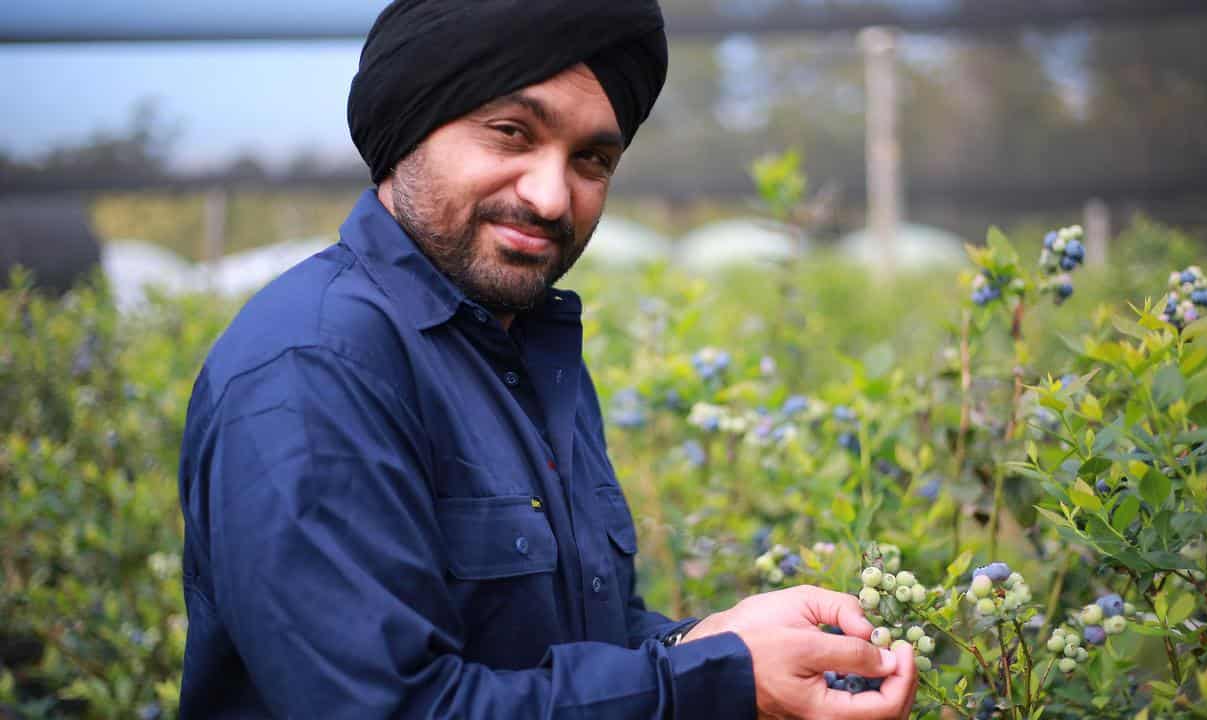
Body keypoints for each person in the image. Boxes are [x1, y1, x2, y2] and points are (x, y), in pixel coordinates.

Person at [176, 1, 918, 718]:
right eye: (510, 133)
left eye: (591, 160)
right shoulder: (316, 366)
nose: (551, 196)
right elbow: (395, 707)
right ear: (410, 123)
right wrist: (718, 680)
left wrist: (720, 641)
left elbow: (579, 647)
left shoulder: (524, 347)